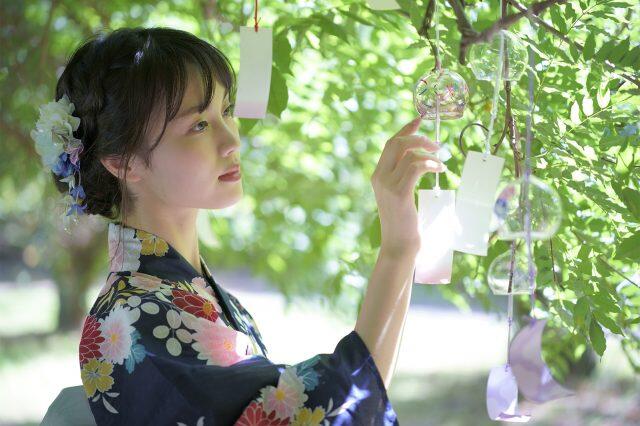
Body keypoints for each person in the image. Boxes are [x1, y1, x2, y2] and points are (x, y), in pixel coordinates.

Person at [35, 26, 445, 425]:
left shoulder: (180, 292)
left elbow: (347, 398)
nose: (232, 140)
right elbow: (309, 413)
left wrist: (402, 249)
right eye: (198, 125)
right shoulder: (133, 317)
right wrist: (397, 249)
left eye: (226, 111)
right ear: (123, 162)